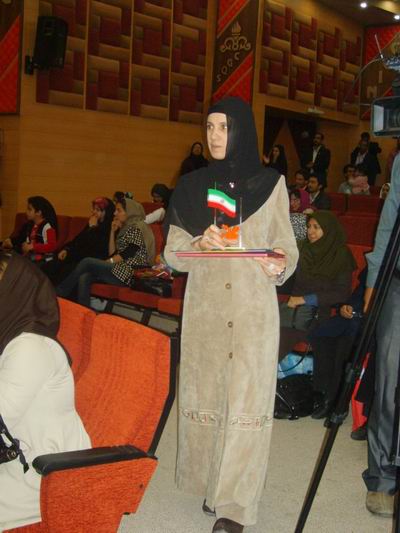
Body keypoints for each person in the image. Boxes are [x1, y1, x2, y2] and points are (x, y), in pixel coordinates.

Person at [163, 96, 298, 533]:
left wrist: (280, 263)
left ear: (241, 130)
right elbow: (172, 255)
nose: (214, 135)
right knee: (209, 398)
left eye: (223, 127)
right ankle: (213, 486)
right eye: (209, 127)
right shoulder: (190, 186)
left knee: (244, 404)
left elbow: (287, 245)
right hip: (206, 312)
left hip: (252, 313)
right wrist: (198, 245)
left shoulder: (271, 184)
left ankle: (235, 507)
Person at [0, 252, 91, 530]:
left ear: (14, 292)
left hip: (42, 471)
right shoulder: (10, 335)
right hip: (17, 450)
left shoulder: (29, 348)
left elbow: (2, 417)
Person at [362, 154, 400, 517]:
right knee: (388, 384)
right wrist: (374, 280)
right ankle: (384, 478)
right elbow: (389, 223)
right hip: (398, 285)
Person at [278, 211, 356, 370]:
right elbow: (286, 279)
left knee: (277, 339)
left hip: (316, 314)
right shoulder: (303, 248)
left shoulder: (340, 255)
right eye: (308, 227)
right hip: (291, 312)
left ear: (328, 229)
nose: (310, 232)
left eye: (316, 227)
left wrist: (304, 299)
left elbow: (341, 293)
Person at [56, 198, 155, 308]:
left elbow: (128, 253)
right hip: (120, 270)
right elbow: (112, 253)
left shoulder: (136, 228)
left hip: (130, 272)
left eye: (119, 210)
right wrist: (112, 232)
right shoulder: (126, 227)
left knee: (87, 262)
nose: (115, 213)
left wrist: (107, 262)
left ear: (129, 212)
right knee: (85, 276)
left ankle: (60, 292)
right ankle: (84, 310)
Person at [308, 268, 367, 419]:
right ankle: (321, 392)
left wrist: (358, 312)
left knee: (344, 344)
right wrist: (343, 308)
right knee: (320, 335)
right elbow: (356, 295)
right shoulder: (373, 269)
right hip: (350, 317)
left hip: (367, 322)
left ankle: (336, 400)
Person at [42, 197, 114, 285]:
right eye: (94, 209)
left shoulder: (108, 228)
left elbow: (95, 248)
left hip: (87, 260)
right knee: (51, 265)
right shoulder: (93, 223)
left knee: (65, 270)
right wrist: (66, 249)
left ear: (106, 212)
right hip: (76, 255)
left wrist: (93, 228)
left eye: (98, 210)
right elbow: (78, 239)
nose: (94, 212)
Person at [2, 196, 58, 264]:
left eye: (29, 209)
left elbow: (52, 246)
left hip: (44, 259)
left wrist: (32, 247)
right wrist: (11, 241)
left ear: (38, 212)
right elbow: (22, 239)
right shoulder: (30, 225)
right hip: (32, 256)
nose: (26, 212)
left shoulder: (47, 227)